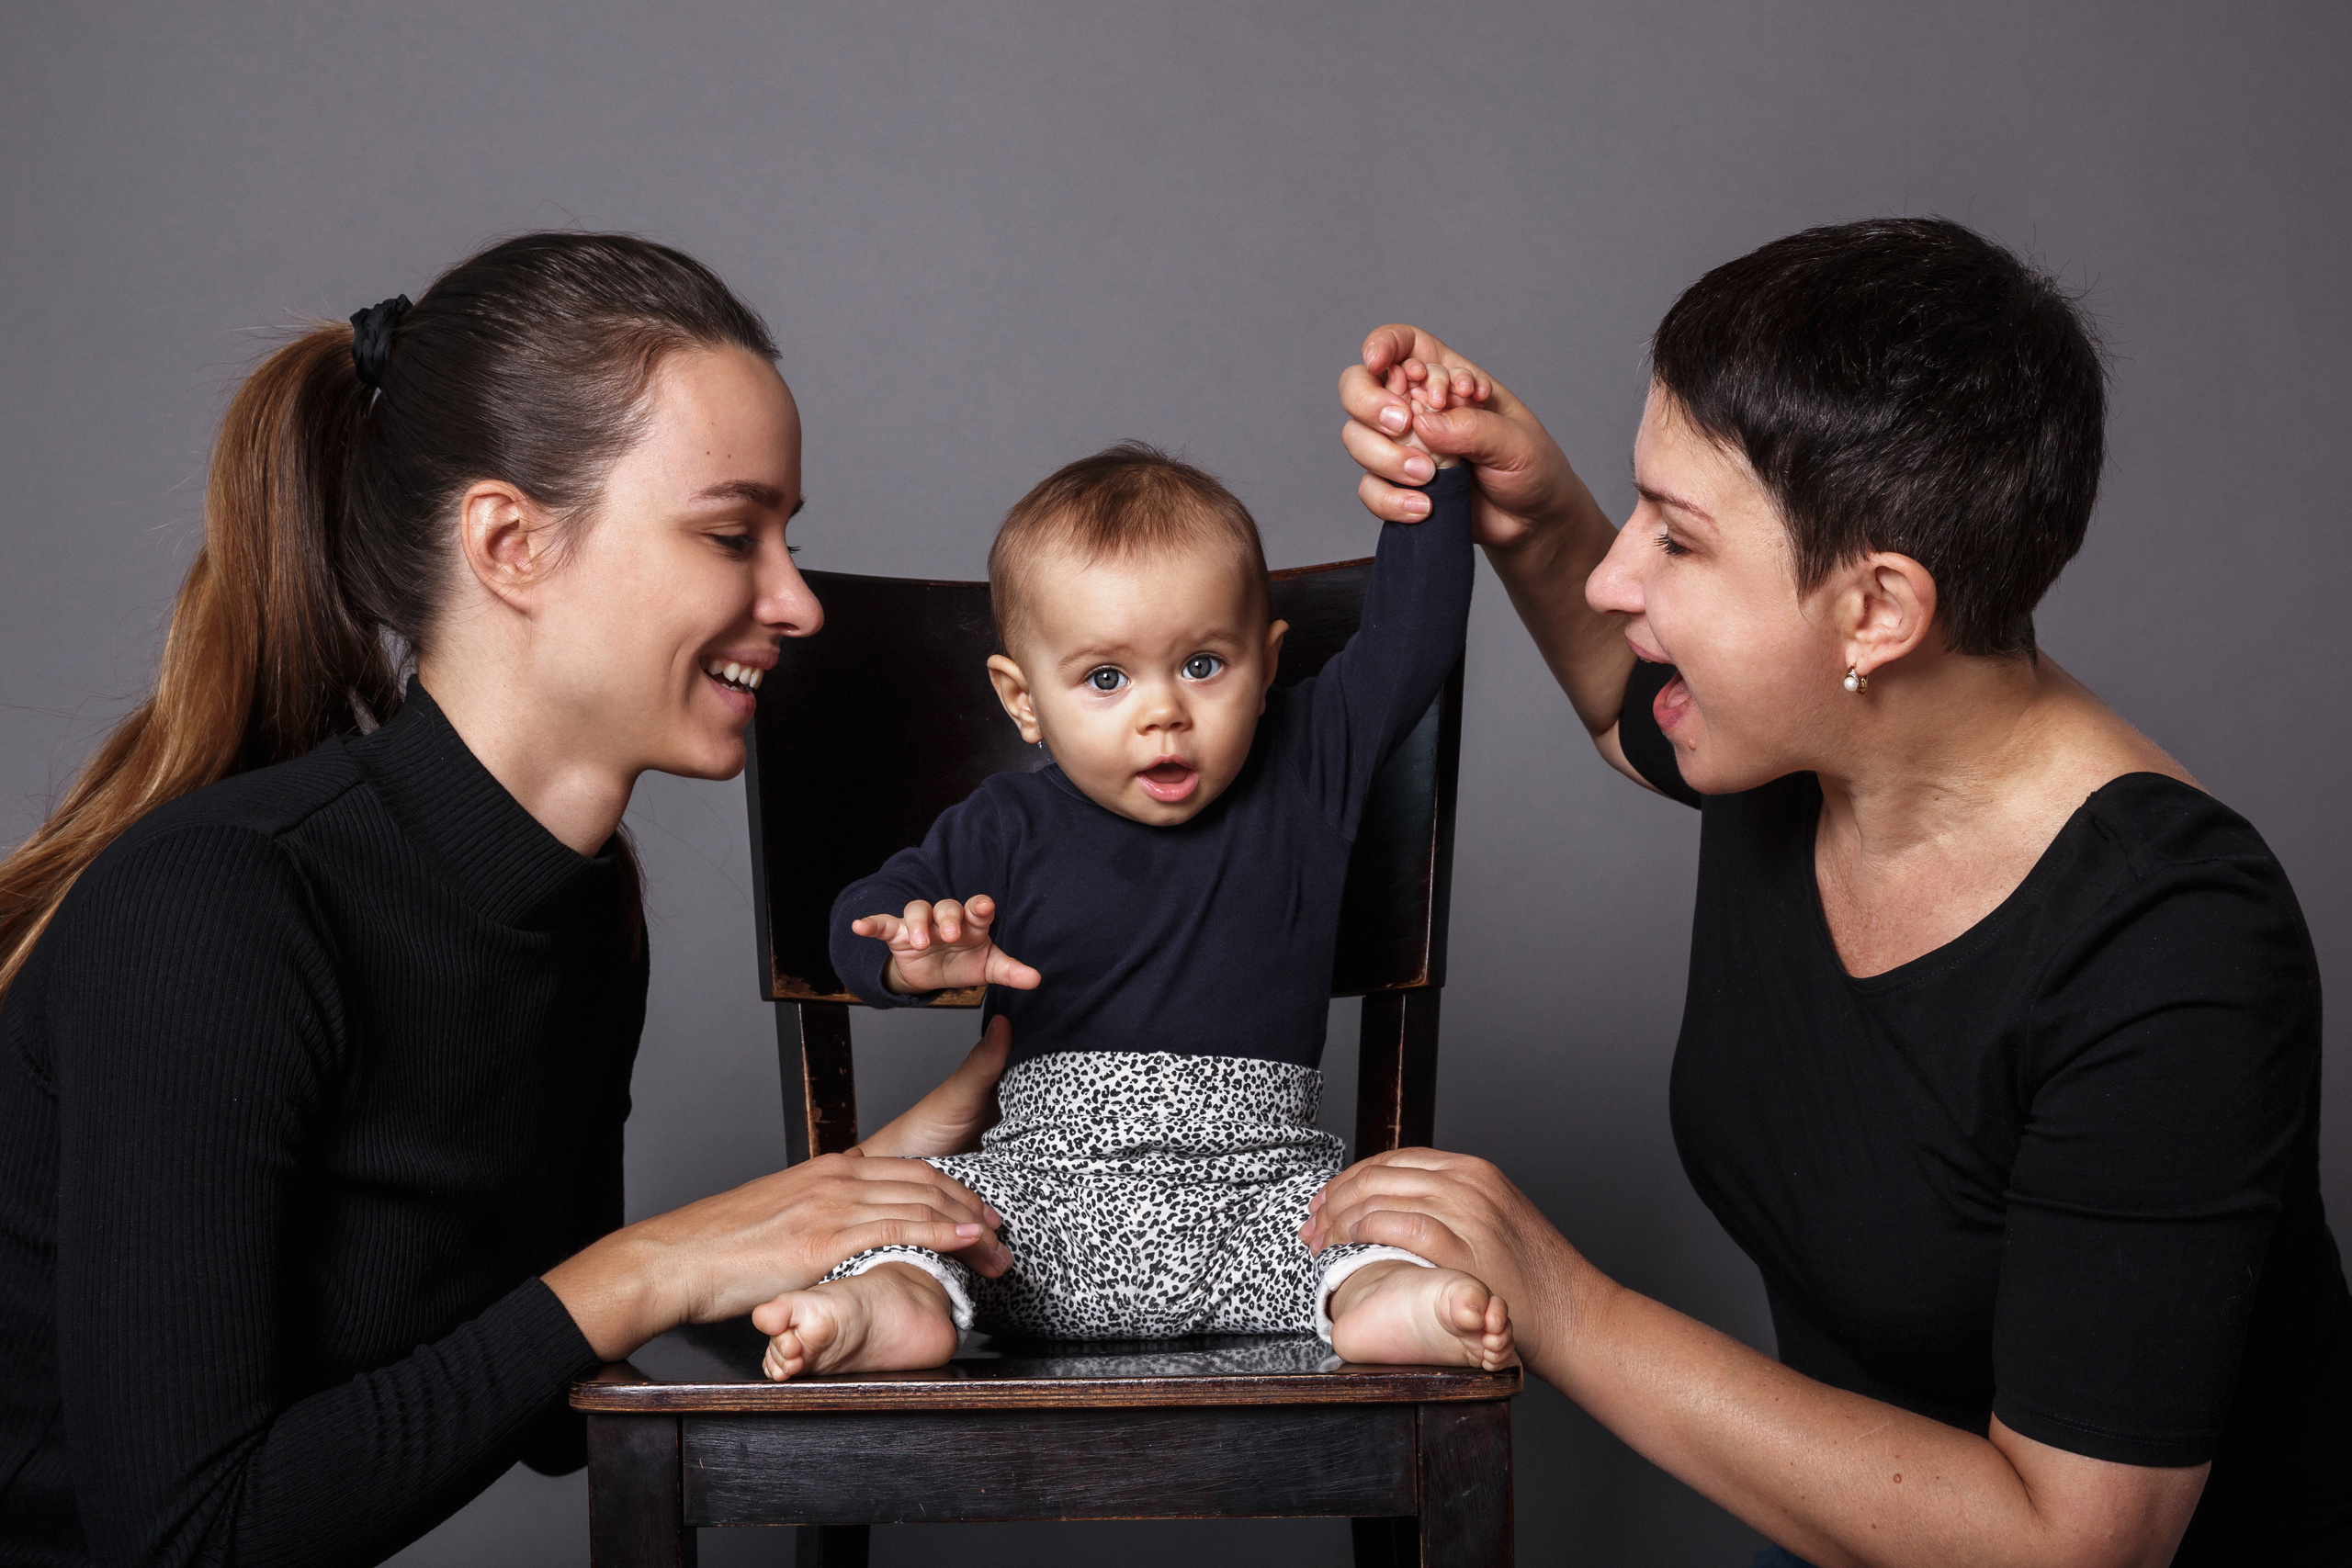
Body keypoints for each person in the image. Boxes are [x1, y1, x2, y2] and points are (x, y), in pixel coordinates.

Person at [1304, 218, 2352, 1566]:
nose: (1620, 576)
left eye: (1676, 540)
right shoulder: (1803, 742)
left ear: (1876, 614)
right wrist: (1529, 488)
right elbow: (1634, 695)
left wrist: (1565, 1303)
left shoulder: (2174, 950)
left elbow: (2067, 1545)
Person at [0, 232, 1015, 1566]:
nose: (797, 600)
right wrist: (651, 1263)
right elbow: (188, 1536)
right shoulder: (218, 907)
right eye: (731, 532)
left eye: (788, 535)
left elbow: (539, 1394)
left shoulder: (585, 908)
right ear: (509, 543)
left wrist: (854, 1206)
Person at [750, 435, 1515, 1380]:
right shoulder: (1006, 821)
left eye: (1202, 665)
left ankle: (1399, 1302)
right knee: (918, 1224)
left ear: (1267, 663)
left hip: (1261, 1198)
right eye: (1106, 679)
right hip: (1037, 1207)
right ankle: (887, 1306)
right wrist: (906, 953)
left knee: (1373, 1231)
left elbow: (1414, 637)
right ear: (1022, 701)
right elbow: (861, 916)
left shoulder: (1311, 766)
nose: (1162, 712)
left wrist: (1432, 464)